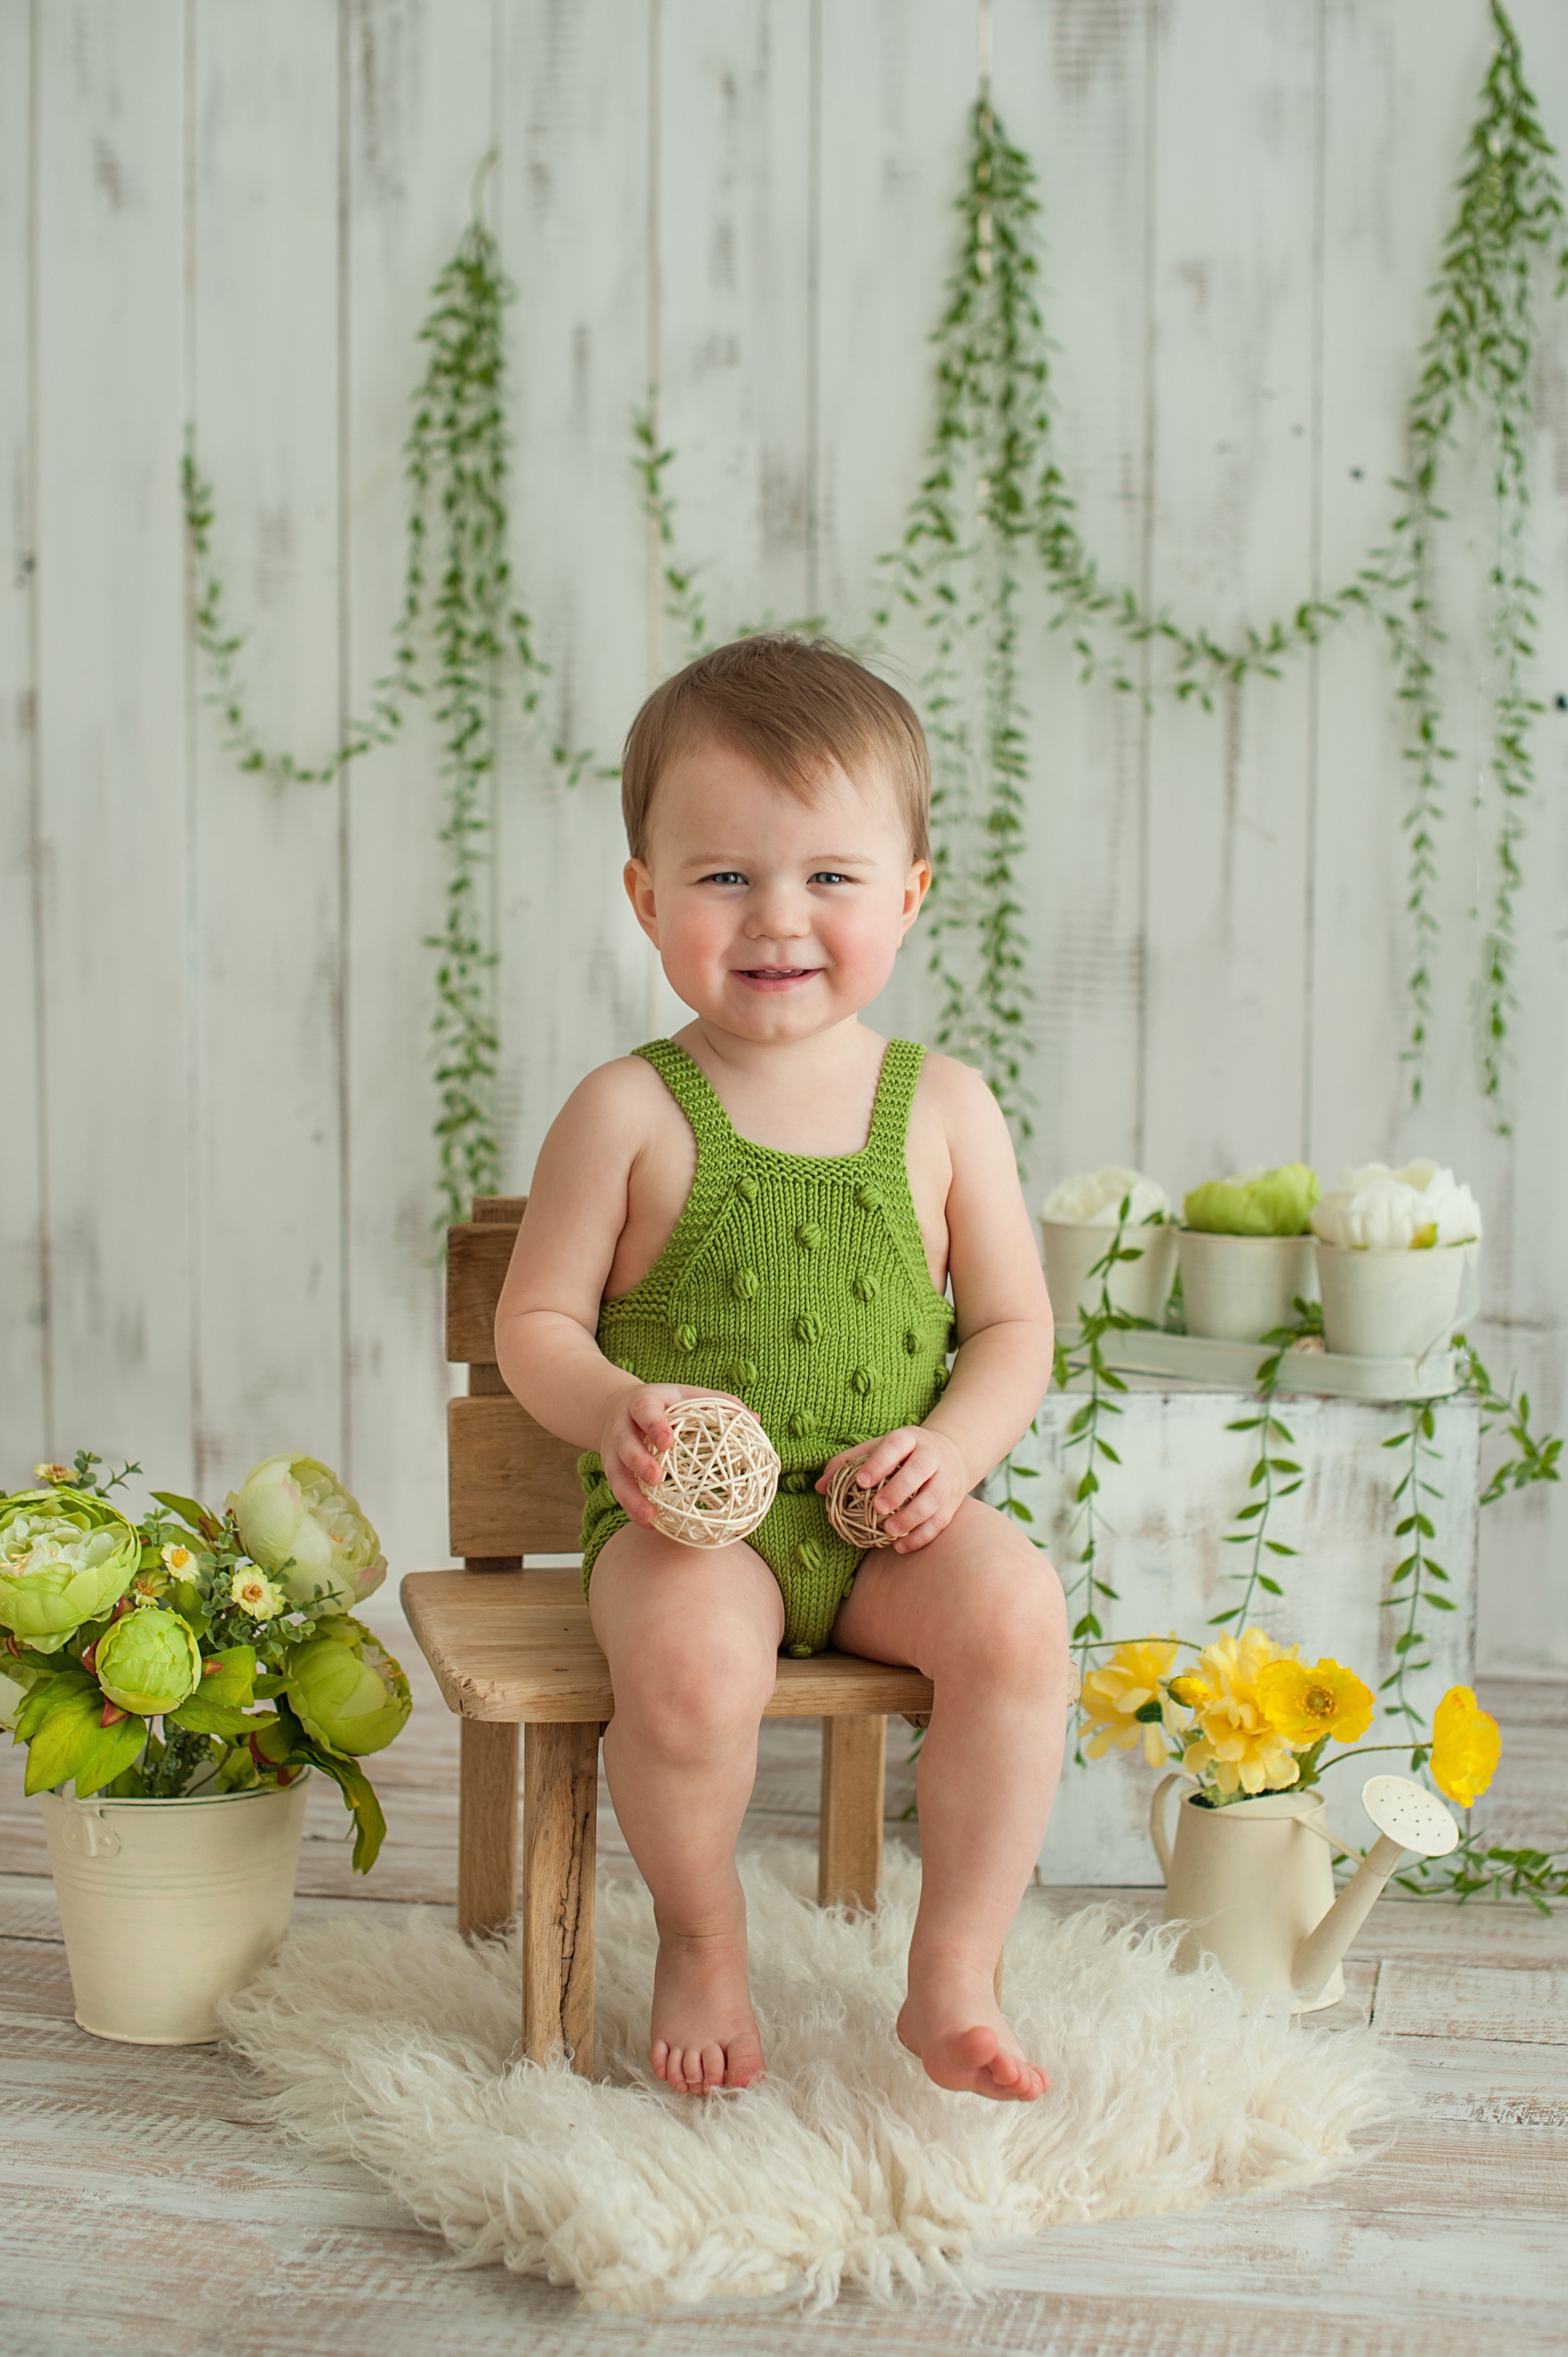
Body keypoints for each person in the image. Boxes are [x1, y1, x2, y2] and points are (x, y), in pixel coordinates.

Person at [496, 635, 1066, 2101]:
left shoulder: (943, 1107)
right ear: (645, 898)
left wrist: (952, 1450)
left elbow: (1012, 1331)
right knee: (688, 1671)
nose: (777, 918)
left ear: (909, 895)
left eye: (828, 876)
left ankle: (952, 1969)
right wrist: (619, 1406)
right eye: (723, 876)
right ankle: (701, 1936)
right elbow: (536, 1327)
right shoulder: (627, 1108)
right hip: (691, 1531)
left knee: (1016, 1614)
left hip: (888, 1522)